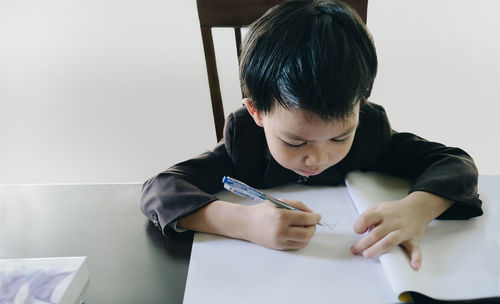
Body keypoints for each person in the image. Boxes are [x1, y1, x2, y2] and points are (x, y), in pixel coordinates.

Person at [140, 0, 482, 270]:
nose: (318, 158)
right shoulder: (243, 139)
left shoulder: (371, 131)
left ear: (359, 108)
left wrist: (417, 209)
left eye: (339, 138)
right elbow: (160, 189)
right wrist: (242, 222)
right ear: (257, 112)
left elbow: (455, 163)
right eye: (295, 142)